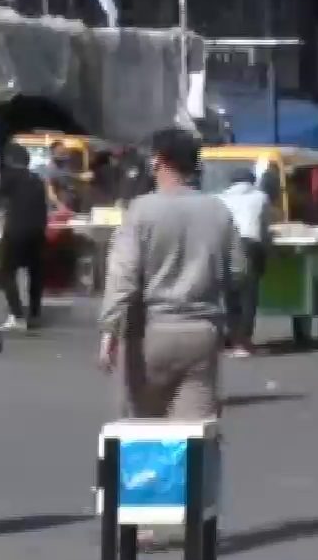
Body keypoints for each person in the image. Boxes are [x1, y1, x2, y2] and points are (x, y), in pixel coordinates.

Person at [99, 128, 244, 421]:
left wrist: (109, 330)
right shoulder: (218, 210)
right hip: (201, 333)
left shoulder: (141, 210)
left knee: (144, 430)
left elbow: (123, 276)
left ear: (158, 161)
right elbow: (238, 271)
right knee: (194, 431)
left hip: (149, 333)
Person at [0, 142, 50, 332]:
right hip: (37, 232)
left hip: (16, 231)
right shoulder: (37, 179)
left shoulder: (9, 176)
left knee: (6, 272)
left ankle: (17, 316)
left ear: (10, 159)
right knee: (35, 274)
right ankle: (35, 315)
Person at [217, 164, 272, 358]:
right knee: (249, 295)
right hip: (250, 245)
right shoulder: (260, 197)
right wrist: (268, 250)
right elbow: (265, 228)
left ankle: (233, 341)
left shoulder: (220, 198)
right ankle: (245, 343)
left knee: (230, 296)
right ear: (251, 181)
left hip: (225, 246)